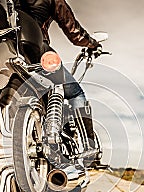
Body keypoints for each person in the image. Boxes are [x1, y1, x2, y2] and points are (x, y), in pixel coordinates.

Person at [15, 0, 101, 154]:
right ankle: (89, 145)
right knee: (76, 93)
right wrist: (92, 44)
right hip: (35, 50)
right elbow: (73, 30)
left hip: (7, 50)